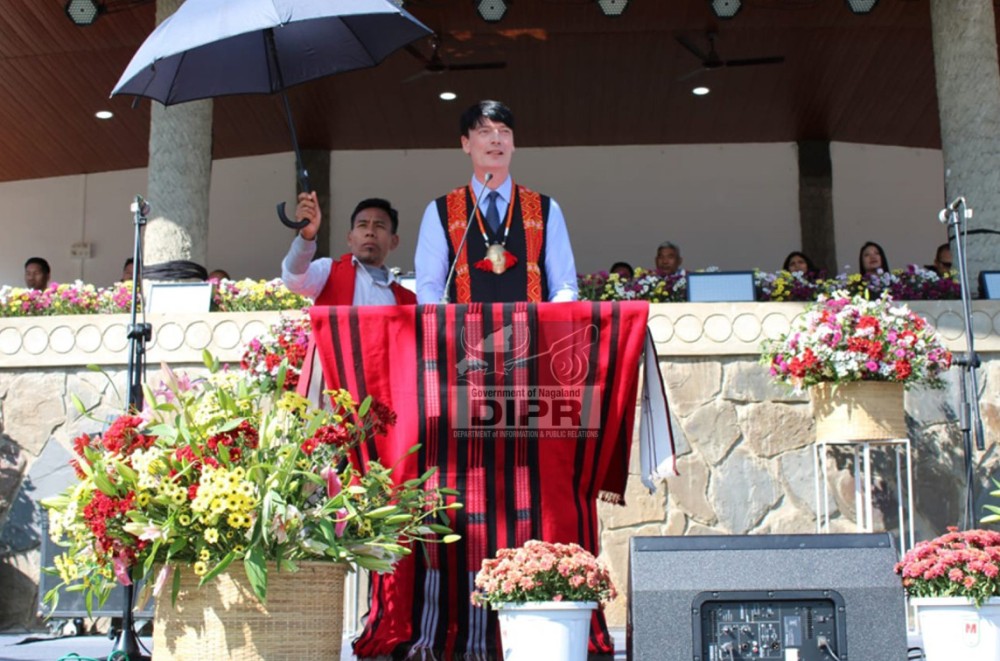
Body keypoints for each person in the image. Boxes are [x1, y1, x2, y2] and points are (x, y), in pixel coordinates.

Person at [415, 100, 578, 304]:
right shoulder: (440, 211)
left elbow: (564, 286)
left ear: (513, 143)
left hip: (531, 332)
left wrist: (549, 327)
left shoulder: (545, 209)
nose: (496, 139)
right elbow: (430, 287)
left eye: (504, 131)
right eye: (485, 132)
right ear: (466, 143)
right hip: (465, 333)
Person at [281, 195, 416, 306]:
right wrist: (307, 236)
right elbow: (294, 279)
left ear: (394, 241)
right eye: (362, 225)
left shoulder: (408, 301)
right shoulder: (328, 272)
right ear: (350, 238)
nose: (370, 232)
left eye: (379, 226)